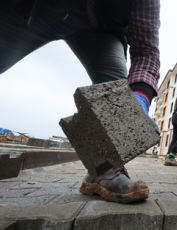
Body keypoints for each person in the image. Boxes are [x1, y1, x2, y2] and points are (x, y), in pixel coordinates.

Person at [0, 0, 160, 203]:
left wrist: (139, 99)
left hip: (99, 30)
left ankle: (102, 169)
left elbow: (146, 51)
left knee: (116, 90)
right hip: (33, 9)